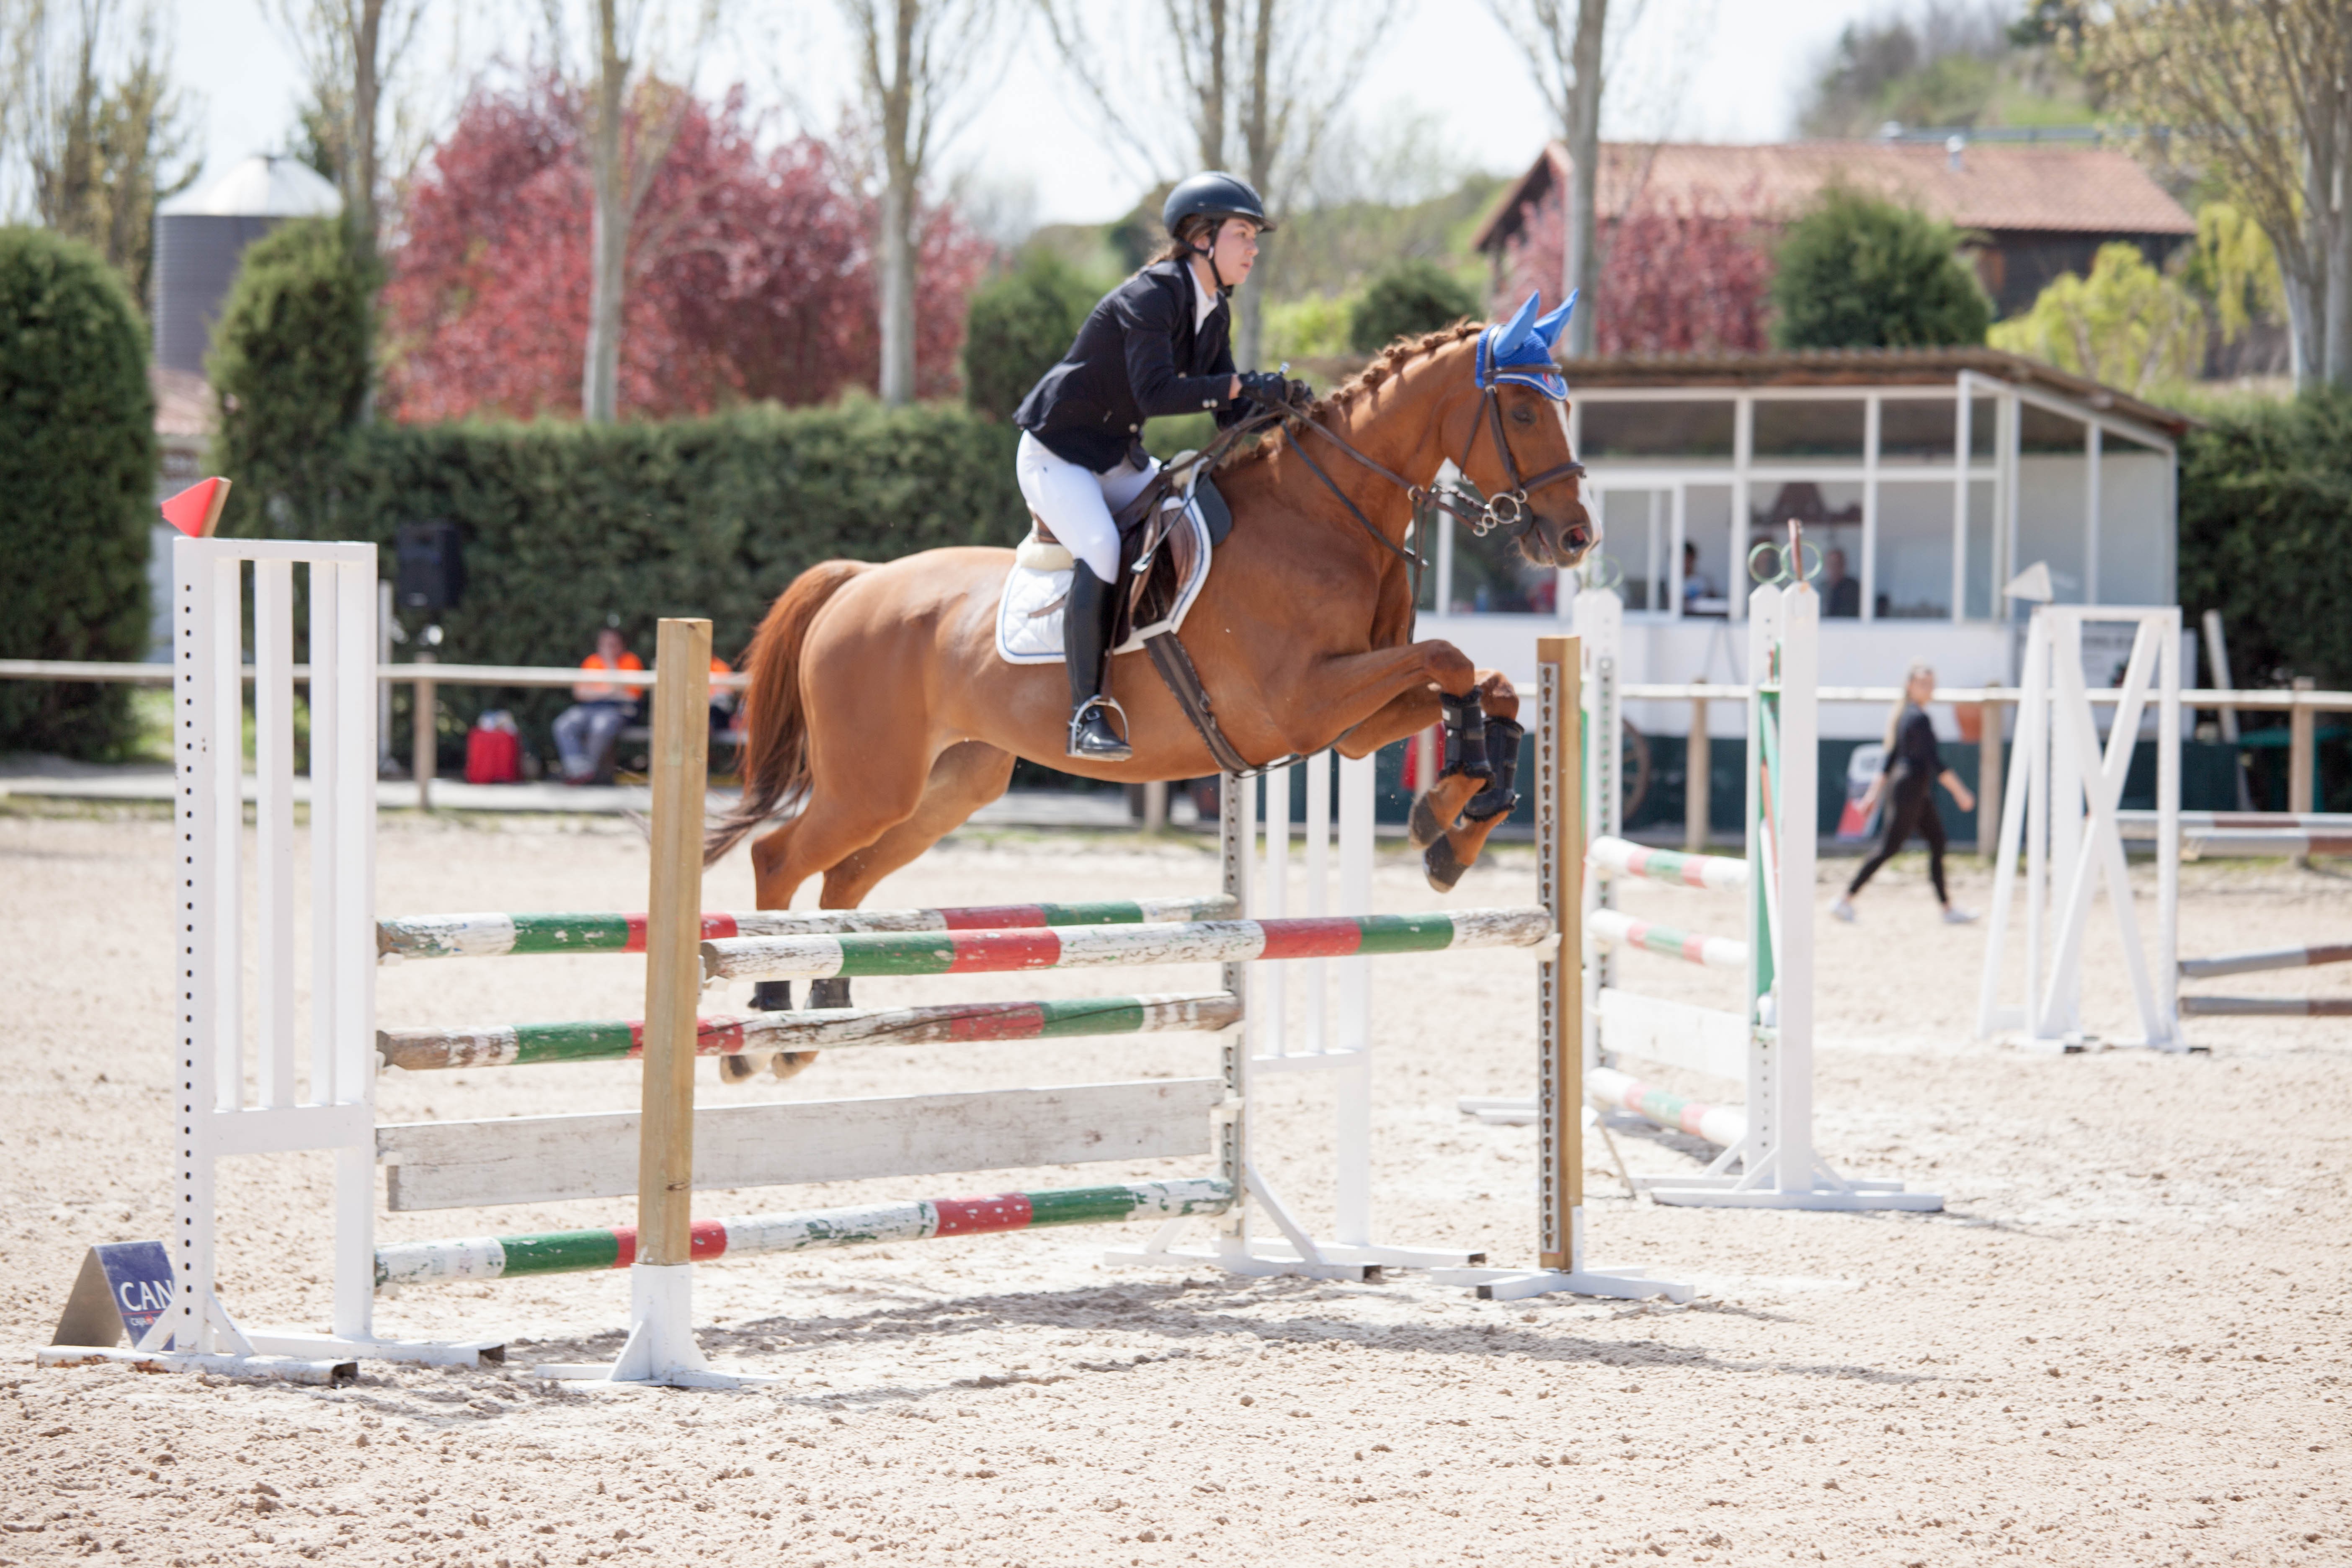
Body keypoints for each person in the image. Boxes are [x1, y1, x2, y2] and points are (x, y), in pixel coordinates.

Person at [1012, 170, 1303, 761]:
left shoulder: (1213, 310)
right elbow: (1156, 394)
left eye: (1254, 237)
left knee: (1189, 517)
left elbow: (1227, 415)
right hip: (1058, 456)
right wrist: (1241, 383)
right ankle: (1085, 713)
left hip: (1116, 458)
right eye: (1243, 235)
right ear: (1202, 237)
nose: (1252, 247)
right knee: (1100, 547)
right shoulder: (1152, 296)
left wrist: (1279, 408)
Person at [1833, 662, 1978, 923]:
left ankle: (1947, 909)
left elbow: (1889, 759)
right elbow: (1933, 762)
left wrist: (1871, 796)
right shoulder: (1917, 718)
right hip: (1909, 790)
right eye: (1923, 683)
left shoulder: (1906, 716)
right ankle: (1845, 900)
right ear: (1910, 686)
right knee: (1889, 847)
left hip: (1915, 791)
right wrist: (1961, 793)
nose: (1929, 688)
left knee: (1937, 840)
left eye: (1931, 683)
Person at [552, 627, 642, 784]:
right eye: (605, 644)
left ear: (621, 645)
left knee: (601, 726)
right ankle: (578, 771)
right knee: (564, 724)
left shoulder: (630, 661)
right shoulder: (592, 661)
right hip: (591, 708)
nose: (608, 648)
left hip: (617, 710)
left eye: (613, 645)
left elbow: (630, 695)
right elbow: (580, 693)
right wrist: (610, 691)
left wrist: (610, 664)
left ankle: (585, 772)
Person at [1822, 547, 1862, 618]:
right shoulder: (1822, 587)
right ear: (1826, 565)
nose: (1834, 568)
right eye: (1831, 564)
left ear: (1844, 565)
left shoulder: (1853, 588)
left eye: (1838, 564)